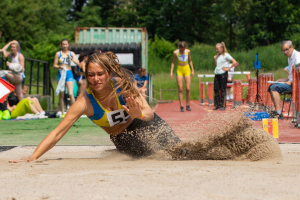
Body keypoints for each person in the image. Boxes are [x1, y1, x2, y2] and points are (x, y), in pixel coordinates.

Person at [9, 52, 182, 163]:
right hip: (124, 140)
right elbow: (57, 133)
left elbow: (149, 113)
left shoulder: (123, 85)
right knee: (153, 159)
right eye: (91, 75)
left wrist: (138, 114)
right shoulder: (84, 103)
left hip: (147, 126)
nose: (96, 79)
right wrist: (32, 157)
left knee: (182, 153)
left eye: (100, 74)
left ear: (108, 74)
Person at [268, 40, 300, 119]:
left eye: (286, 49)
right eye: (283, 50)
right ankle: (277, 111)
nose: (285, 52)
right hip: (293, 83)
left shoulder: (298, 57)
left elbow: (298, 75)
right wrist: (282, 80)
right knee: (271, 86)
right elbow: (291, 76)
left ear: (292, 47)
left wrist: (291, 82)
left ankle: (278, 112)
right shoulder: (290, 57)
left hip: (297, 85)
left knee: (273, 88)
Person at [53, 39, 80, 117]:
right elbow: (54, 65)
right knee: (61, 94)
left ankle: (75, 112)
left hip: (69, 73)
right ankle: (62, 112)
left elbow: (78, 63)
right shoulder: (58, 54)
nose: (64, 46)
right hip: (61, 74)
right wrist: (59, 66)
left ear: (68, 45)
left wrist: (71, 58)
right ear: (61, 45)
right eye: (63, 44)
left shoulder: (71, 53)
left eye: (66, 44)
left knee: (71, 94)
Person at [170, 41, 195, 112]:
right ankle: (181, 106)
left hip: (187, 69)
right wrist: (171, 71)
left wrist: (192, 69)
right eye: (181, 49)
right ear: (179, 47)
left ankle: (188, 104)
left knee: (188, 88)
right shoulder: (175, 52)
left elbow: (190, 61)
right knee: (180, 88)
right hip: (179, 69)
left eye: (184, 49)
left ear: (185, 47)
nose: (182, 50)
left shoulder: (188, 51)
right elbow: (173, 62)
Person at [213, 42, 237, 110]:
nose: (216, 50)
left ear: (222, 48)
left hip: (223, 74)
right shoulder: (217, 56)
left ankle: (223, 105)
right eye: (216, 49)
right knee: (216, 89)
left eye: (217, 49)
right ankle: (217, 104)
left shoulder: (226, 55)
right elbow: (216, 65)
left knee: (223, 89)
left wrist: (228, 68)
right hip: (217, 73)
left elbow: (234, 62)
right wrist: (214, 58)